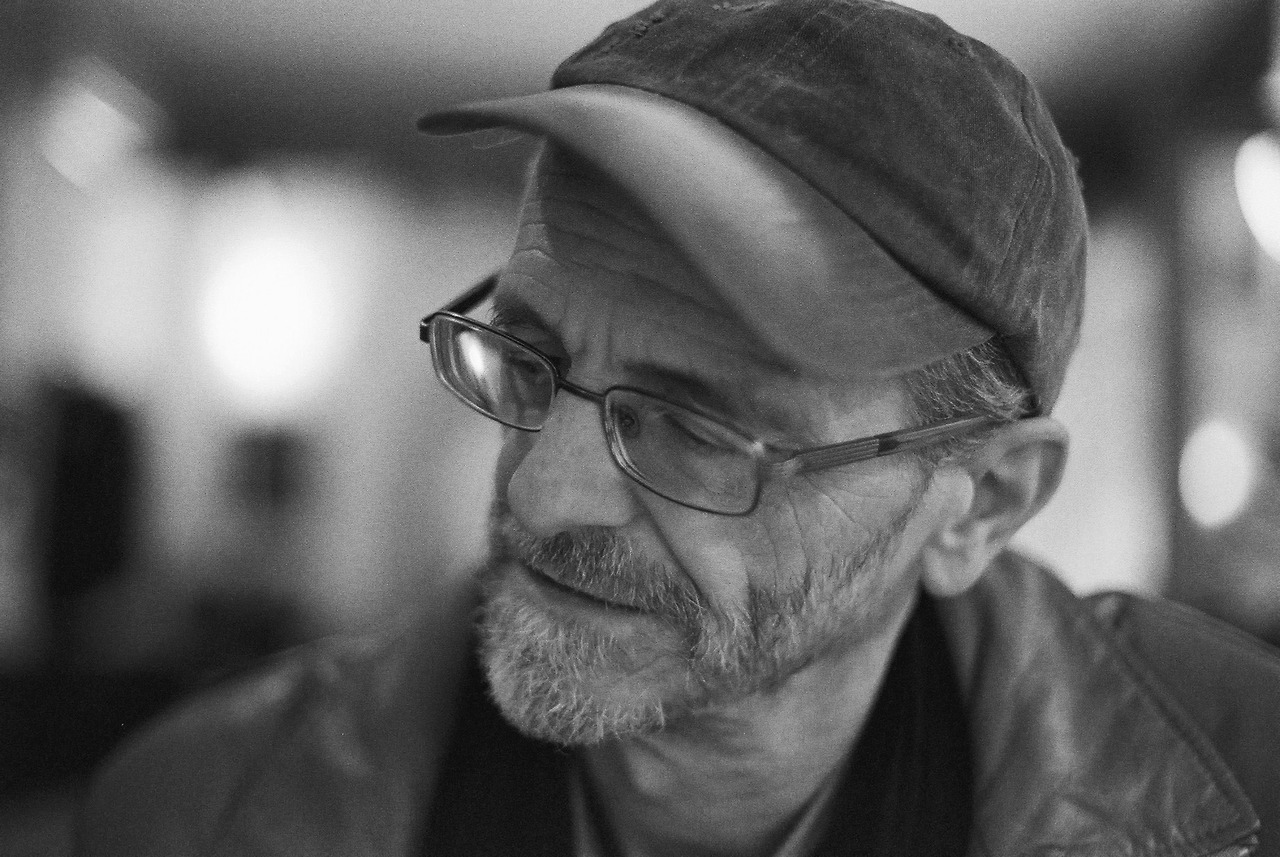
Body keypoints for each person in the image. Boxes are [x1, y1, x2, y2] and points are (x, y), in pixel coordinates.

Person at [81, 1, 1280, 855]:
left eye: (700, 424)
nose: (540, 492)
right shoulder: (202, 813)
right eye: (531, 358)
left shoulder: (1238, 783)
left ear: (983, 501)